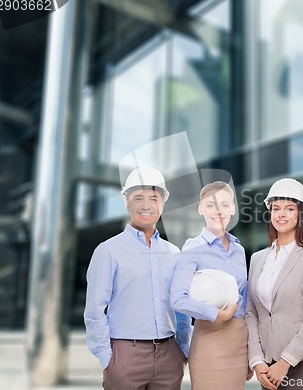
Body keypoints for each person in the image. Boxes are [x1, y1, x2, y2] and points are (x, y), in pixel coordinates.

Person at [84, 166, 192, 390]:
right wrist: (108, 359)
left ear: (162, 203)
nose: (146, 205)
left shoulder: (174, 253)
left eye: (153, 198)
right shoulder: (108, 251)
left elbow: (182, 310)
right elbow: (95, 311)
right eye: (137, 198)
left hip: (169, 357)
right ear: (126, 202)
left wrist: (182, 348)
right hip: (124, 357)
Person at [245, 178, 303, 390]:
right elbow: (251, 313)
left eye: (289, 208)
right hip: (267, 367)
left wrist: (285, 362)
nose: (281, 214)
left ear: (301, 214)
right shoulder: (257, 259)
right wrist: (256, 360)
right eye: (276, 208)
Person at [170, 181, 251, 390]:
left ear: (233, 208)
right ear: (200, 209)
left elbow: (246, 300)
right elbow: (178, 298)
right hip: (210, 338)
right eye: (210, 205)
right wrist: (216, 315)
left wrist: (253, 351)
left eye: (224, 205)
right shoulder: (193, 248)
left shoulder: (239, 250)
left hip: (240, 341)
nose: (218, 211)